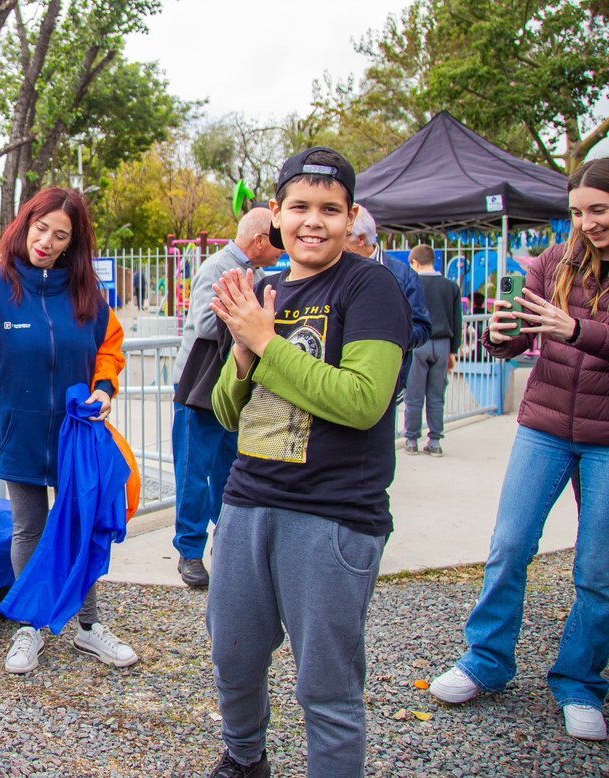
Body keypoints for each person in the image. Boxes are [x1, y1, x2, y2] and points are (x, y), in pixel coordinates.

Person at [207, 147, 411, 777]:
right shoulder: (262, 290)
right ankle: (245, 758)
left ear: (352, 218)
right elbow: (226, 412)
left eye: (330, 209)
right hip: (247, 502)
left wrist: (264, 341)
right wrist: (245, 352)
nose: (313, 221)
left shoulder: (370, 285)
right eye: (299, 207)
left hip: (332, 514)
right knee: (234, 657)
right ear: (276, 213)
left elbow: (363, 402)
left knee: (326, 687)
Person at [0, 187, 136, 675]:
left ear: (72, 243)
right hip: (17, 435)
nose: (46, 242)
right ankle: (29, 627)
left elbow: (109, 347)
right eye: (41, 228)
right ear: (25, 224)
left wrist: (104, 387)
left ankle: (88, 627)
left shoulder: (85, 294)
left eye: (60, 235)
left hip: (76, 438)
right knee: (29, 528)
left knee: (80, 527)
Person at [429, 157, 609, 742]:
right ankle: (486, 660)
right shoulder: (553, 262)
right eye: (577, 212)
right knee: (509, 545)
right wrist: (501, 335)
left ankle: (580, 682)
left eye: (598, 210)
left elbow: (569, 331)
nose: (586, 223)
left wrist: (574, 330)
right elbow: (516, 338)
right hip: (545, 424)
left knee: (598, 569)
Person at [170, 208, 284, 587]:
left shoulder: (260, 276)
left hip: (232, 388)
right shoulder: (218, 268)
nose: (282, 249)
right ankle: (189, 550)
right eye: (277, 242)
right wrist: (250, 323)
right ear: (259, 240)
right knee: (193, 472)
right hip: (198, 388)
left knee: (230, 469)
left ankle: (229, 544)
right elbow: (203, 323)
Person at [345, 205, 432, 395]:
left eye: (344, 236)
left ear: (361, 239)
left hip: (386, 384)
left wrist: (389, 339)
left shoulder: (403, 276)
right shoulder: (334, 271)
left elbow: (422, 327)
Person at [402, 244, 463, 455]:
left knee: (413, 395)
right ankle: (435, 441)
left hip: (418, 343)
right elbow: (457, 320)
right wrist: (453, 350)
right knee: (437, 395)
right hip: (443, 344)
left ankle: (411, 439)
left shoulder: (412, 284)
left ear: (415, 263)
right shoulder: (451, 286)